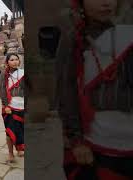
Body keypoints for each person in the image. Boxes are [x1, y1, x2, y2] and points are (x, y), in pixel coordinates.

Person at [56, 0, 133, 179]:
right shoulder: (73, 40)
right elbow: (66, 92)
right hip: (96, 143)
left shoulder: (126, 35)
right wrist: (76, 141)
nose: (106, 3)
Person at [0, 53, 25, 162]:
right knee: (9, 132)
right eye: (12, 60)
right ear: (7, 62)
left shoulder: (23, 73)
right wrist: (6, 105)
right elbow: (2, 90)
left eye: (16, 59)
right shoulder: (4, 75)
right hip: (10, 107)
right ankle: (10, 153)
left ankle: (20, 148)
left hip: (22, 106)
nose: (15, 62)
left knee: (21, 130)